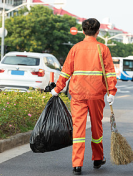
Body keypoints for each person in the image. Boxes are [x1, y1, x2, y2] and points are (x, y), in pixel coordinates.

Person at [50, 18, 117, 175]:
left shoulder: (75, 48)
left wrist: (57, 89)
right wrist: (111, 92)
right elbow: (110, 73)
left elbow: (66, 71)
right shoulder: (103, 49)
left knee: (78, 129)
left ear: (83, 31)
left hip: (78, 94)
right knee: (96, 127)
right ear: (98, 32)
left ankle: (77, 164)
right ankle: (98, 158)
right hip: (96, 95)